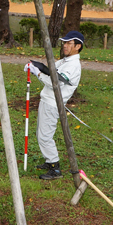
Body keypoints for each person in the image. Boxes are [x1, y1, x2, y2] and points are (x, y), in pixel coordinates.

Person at [24, 30, 84, 180]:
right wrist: (35, 65)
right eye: (64, 42)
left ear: (78, 46)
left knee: (45, 136)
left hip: (53, 103)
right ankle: (48, 160)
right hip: (47, 101)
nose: (64, 46)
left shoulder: (73, 65)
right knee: (41, 133)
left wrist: (37, 73)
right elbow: (50, 70)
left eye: (69, 43)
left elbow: (54, 83)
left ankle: (54, 168)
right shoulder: (65, 61)